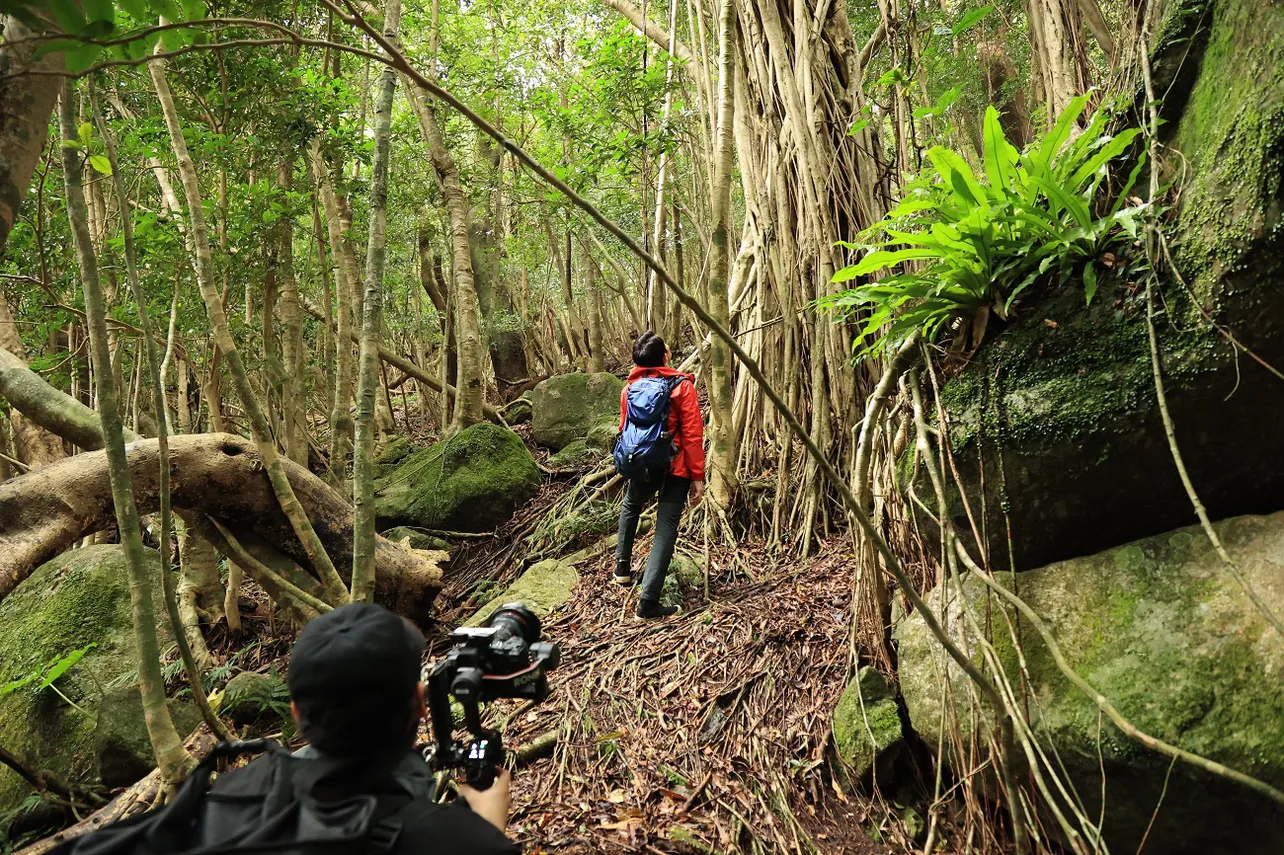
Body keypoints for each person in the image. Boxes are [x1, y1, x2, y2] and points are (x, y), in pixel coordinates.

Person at [214, 602, 519, 854]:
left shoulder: (227, 804)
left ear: (296, 713)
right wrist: (486, 833)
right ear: (420, 703)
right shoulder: (458, 842)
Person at [614, 331, 705, 620]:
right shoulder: (681, 387)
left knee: (631, 506)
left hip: (641, 463)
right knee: (665, 529)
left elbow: (623, 429)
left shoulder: (629, 389)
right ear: (664, 356)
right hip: (675, 466)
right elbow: (692, 434)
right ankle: (648, 603)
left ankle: (622, 569)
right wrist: (697, 477)